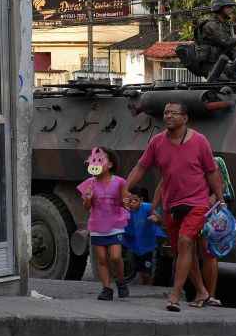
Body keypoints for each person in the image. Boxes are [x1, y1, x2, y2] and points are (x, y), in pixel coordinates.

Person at [124, 102, 223, 312]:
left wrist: (220, 198)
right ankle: (202, 291)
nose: (168, 116)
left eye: (173, 113)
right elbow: (141, 167)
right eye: (165, 112)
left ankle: (175, 295)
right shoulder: (157, 143)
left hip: (197, 202)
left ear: (185, 118)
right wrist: (125, 188)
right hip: (171, 204)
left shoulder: (200, 141)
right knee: (182, 252)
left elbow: (212, 172)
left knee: (186, 241)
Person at [77, 147, 131, 301]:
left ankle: (120, 281)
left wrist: (131, 204)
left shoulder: (120, 182)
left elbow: (125, 201)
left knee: (115, 257)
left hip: (115, 223)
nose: (96, 162)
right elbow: (87, 207)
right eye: (94, 160)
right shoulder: (89, 183)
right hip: (97, 224)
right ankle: (106, 288)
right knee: (101, 258)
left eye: (100, 160)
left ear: (110, 165)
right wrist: (88, 198)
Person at [124, 187, 165, 285]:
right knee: (135, 270)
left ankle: (148, 287)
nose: (132, 203)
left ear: (141, 200)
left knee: (147, 272)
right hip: (133, 246)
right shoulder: (125, 210)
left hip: (148, 246)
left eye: (135, 200)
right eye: (130, 200)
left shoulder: (147, 207)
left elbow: (160, 221)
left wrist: (156, 219)